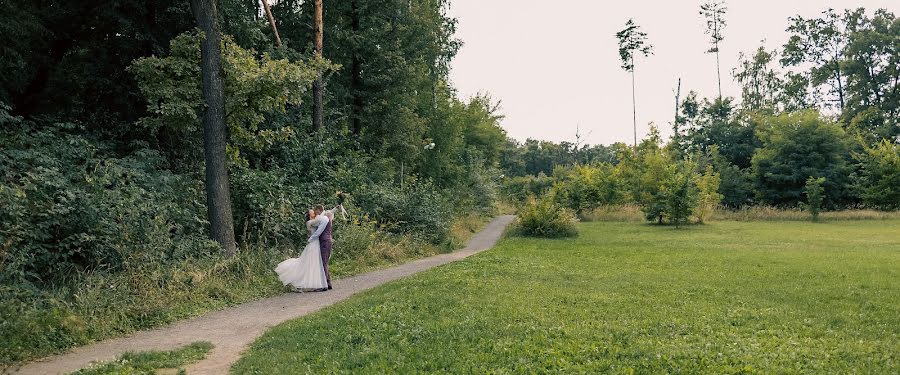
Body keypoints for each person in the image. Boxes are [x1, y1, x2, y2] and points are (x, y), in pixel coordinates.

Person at [274, 209, 328, 292]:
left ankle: (315, 283)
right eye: (312, 212)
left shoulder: (314, 221)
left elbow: (321, 217)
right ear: (310, 215)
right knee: (311, 262)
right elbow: (321, 219)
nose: (314, 212)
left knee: (314, 263)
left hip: (315, 243)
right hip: (312, 243)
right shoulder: (310, 222)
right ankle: (302, 282)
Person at [310, 204, 339, 290]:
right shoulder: (324, 217)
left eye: (315, 211)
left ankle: (323, 285)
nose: (315, 213)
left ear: (318, 210)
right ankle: (328, 282)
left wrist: (311, 239)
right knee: (324, 262)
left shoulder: (324, 217)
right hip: (325, 241)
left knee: (323, 262)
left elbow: (319, 231)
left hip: (325, 241)